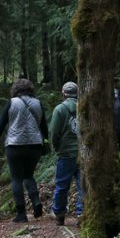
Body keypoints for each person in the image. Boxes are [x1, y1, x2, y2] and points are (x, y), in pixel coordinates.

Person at [3, 79, 47, 222]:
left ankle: (21, 214)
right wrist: (45, 140)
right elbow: (44, 126)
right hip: (35, 145)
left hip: (14, 145)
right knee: (29, 175)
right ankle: (36, 202)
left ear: (16, 89)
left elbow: (1, 123)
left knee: (16, 179)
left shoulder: (12, 102)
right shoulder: (38, 103)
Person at [48, 81, 84, 225]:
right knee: (83, 185)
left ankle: (59, 213)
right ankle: (82, 214)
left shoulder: (59, 109)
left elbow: (54, 133)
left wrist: (57, 148)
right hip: (83, 153)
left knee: (62, 185)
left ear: (63, 93)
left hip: (66, 154)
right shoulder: (84, 107)